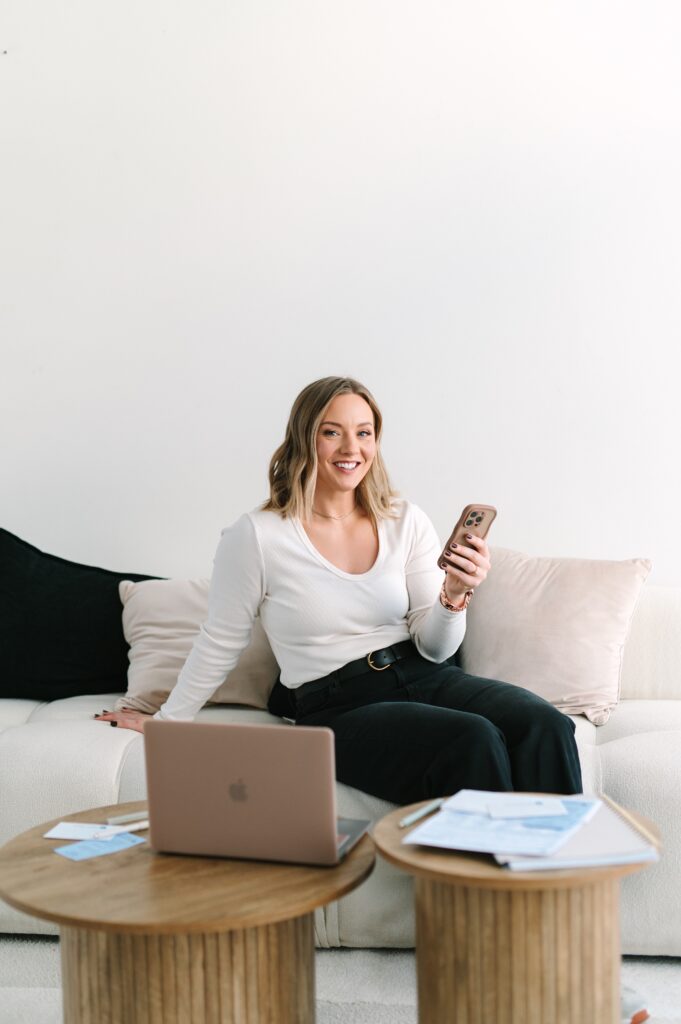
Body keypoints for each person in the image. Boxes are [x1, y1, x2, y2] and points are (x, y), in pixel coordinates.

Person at [95, 375, 647, 1024]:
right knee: (470, 741)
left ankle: (581, 955)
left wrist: (452, 598)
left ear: (376, 441)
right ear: (306, 438)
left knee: (543, 725)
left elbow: (437, 648)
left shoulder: (403, 519)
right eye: (332, 430)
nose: (349, 447)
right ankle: (502, 967)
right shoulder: (258, 535)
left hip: (421, 671)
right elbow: (220, 638)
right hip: (334, 703)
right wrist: (167, 722)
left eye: (363, 432)